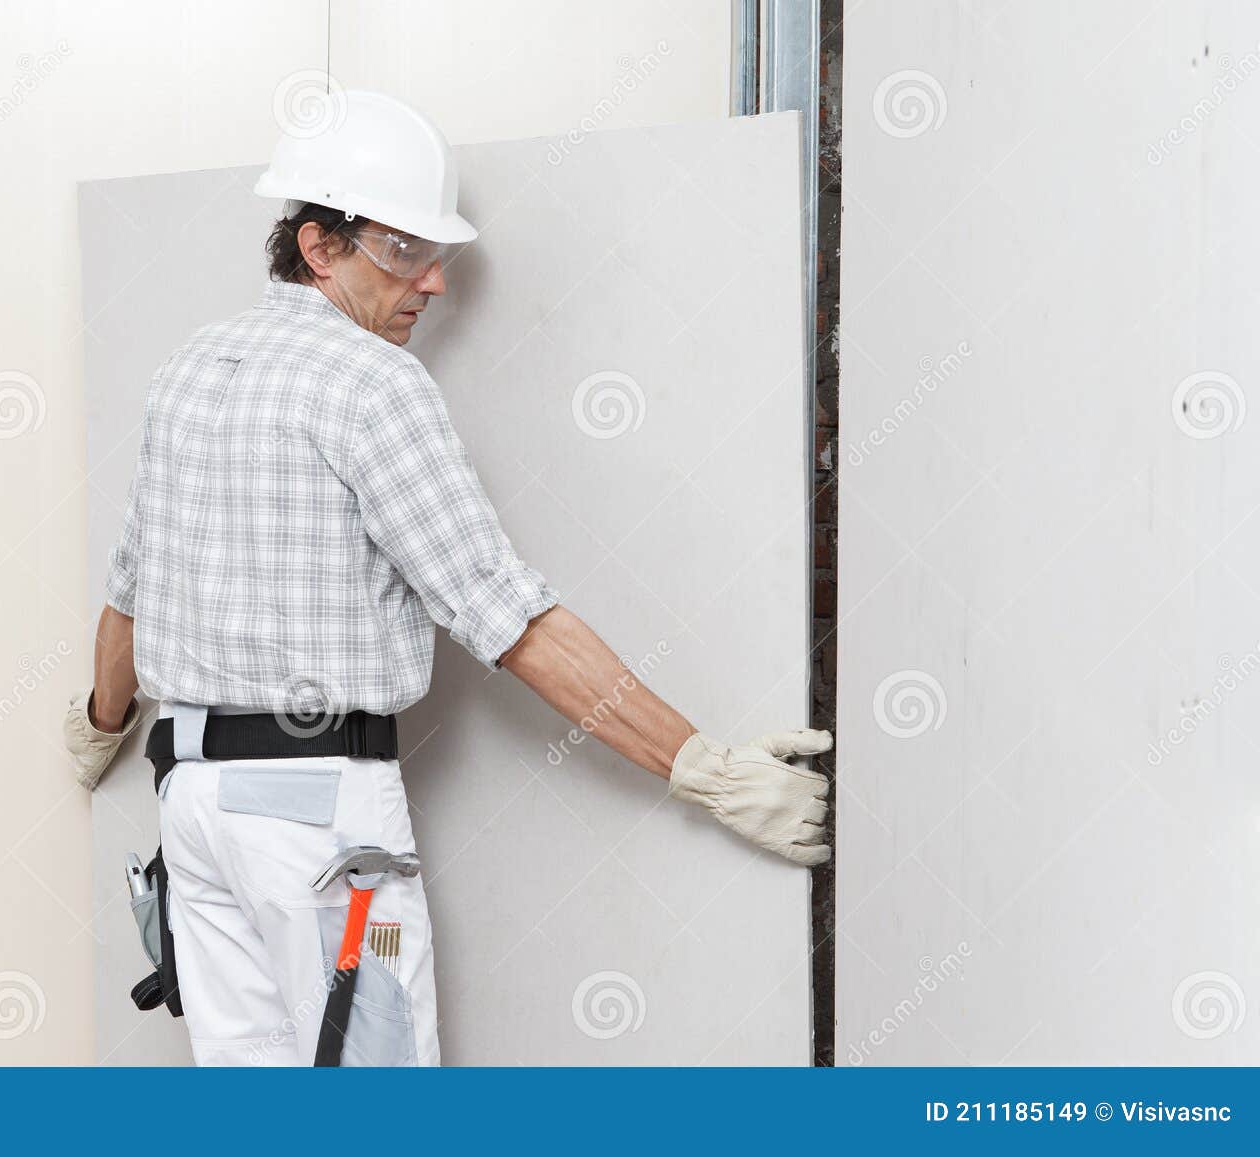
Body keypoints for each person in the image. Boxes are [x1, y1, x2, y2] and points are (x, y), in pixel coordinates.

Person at [64, 90, 831, 1067]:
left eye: (438, 255)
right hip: (327, 837)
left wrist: (98, 721)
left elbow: (131, 589)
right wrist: (704, 769)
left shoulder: (189, 367)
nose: (430, 281)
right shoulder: (371, 384)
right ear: (318, 246)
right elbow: (505, 613)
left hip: (194, 817)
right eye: (401, 252)